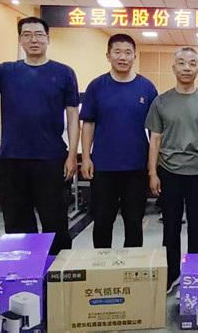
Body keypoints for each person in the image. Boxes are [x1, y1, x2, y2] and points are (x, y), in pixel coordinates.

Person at [0, 17, 79, 255]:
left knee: (55, 222)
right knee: (17, 224)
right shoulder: (6, 71)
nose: (33, 39)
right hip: (12, 160)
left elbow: (73, 116)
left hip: (51, 160)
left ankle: (55, 271)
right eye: (27, 34)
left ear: (48, 39)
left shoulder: (64, 73)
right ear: (20, 40)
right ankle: (24, 271)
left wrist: (72, 156)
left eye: (39, 34)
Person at [145, 47, 198, 295]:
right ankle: (171, 275)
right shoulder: (161, 101)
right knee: (170, 227)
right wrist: (153, 172)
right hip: (169, 172)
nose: (187, 68)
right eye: (182, 63)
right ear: (173, 67)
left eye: (192, 63)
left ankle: (196, 275)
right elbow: (155, 139)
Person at [80, 34, 157, 249]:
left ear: (134, 57)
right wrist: (86, 157)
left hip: (136, 167)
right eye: (117, 52)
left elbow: (156, 131)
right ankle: (101, 263)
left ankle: (131, 266)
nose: (123, 57)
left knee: (134, 222)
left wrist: (153, 167)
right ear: (108, 55)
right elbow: (88, 124)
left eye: (127, 53)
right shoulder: (97, 86)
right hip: (103, 167)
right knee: (102, 221)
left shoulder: (146, 88)